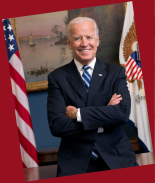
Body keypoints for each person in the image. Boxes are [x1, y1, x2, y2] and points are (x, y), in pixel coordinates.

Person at [47, 17, 138, 177]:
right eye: (77, 38)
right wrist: (106, 114)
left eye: (89, 37)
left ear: (97, 40)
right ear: (69, 43)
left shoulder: (116, 72)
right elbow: (57, 125)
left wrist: (78, 114)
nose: (84, 43)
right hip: (75, 162)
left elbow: (122, 114)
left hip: (117, 158)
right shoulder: (57, 78)